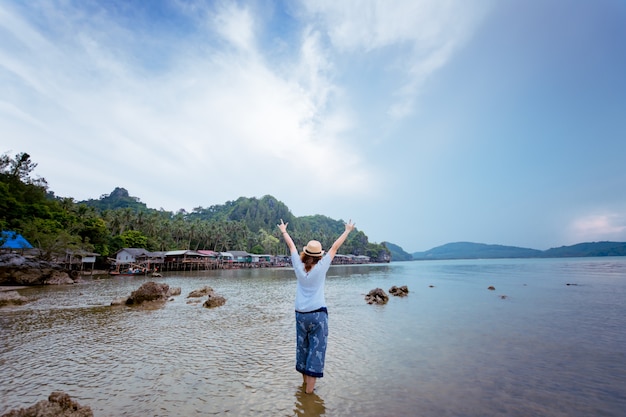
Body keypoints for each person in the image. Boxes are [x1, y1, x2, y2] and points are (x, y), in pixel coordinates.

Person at [277, 218, 356, 394]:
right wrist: (347, 230)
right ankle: (309, 395)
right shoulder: (321, 267)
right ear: (319, 255)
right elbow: (335, 247)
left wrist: (284, 231)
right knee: (316, 352)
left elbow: (291, 247)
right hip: (318, 315)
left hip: (300, 315)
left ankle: (304, 388)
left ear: (305, 253)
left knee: (303, 349)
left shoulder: (298, 266)